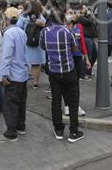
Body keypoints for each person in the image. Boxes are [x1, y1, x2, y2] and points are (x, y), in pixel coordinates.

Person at [40, 9, 84, 143]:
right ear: (62, 19)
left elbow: (42, 47)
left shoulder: (44, 32)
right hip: (68, 70)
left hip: (53, 71)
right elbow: (75, 49)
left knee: (56, 101)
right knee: (72, 101)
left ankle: (58, 129)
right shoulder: (68, 32)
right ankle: (73, 132)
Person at [0, 7, 29, 143]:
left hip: (13, 75)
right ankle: (21, 126)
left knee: (10, 105)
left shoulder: (8, 34)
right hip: (22, 73)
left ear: (7, 19)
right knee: (21, 102)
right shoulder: (21, 32)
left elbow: (6, 56)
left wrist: (3, 75)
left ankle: (11, 132)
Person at [17, 0, 46, 89]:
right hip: (37, 42)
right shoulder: (40, 17)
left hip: (27, 42)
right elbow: (46, 26)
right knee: (36, 63)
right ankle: (35, 82)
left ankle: (23, 79)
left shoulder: (23, 16)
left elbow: (18, 28)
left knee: (24, 62)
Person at [64, 8, 89, 116]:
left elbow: (82, 42)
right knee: (67, 82)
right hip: (67, 57)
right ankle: (67, 106)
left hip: (78, 56)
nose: (71, 15)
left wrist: (86, 58)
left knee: (76, 82)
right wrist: (72, 22)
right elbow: (68, 32)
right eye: (69, 13)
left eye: (73, 13)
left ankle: (76, 105)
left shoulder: (79, 26)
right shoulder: (63, 27)